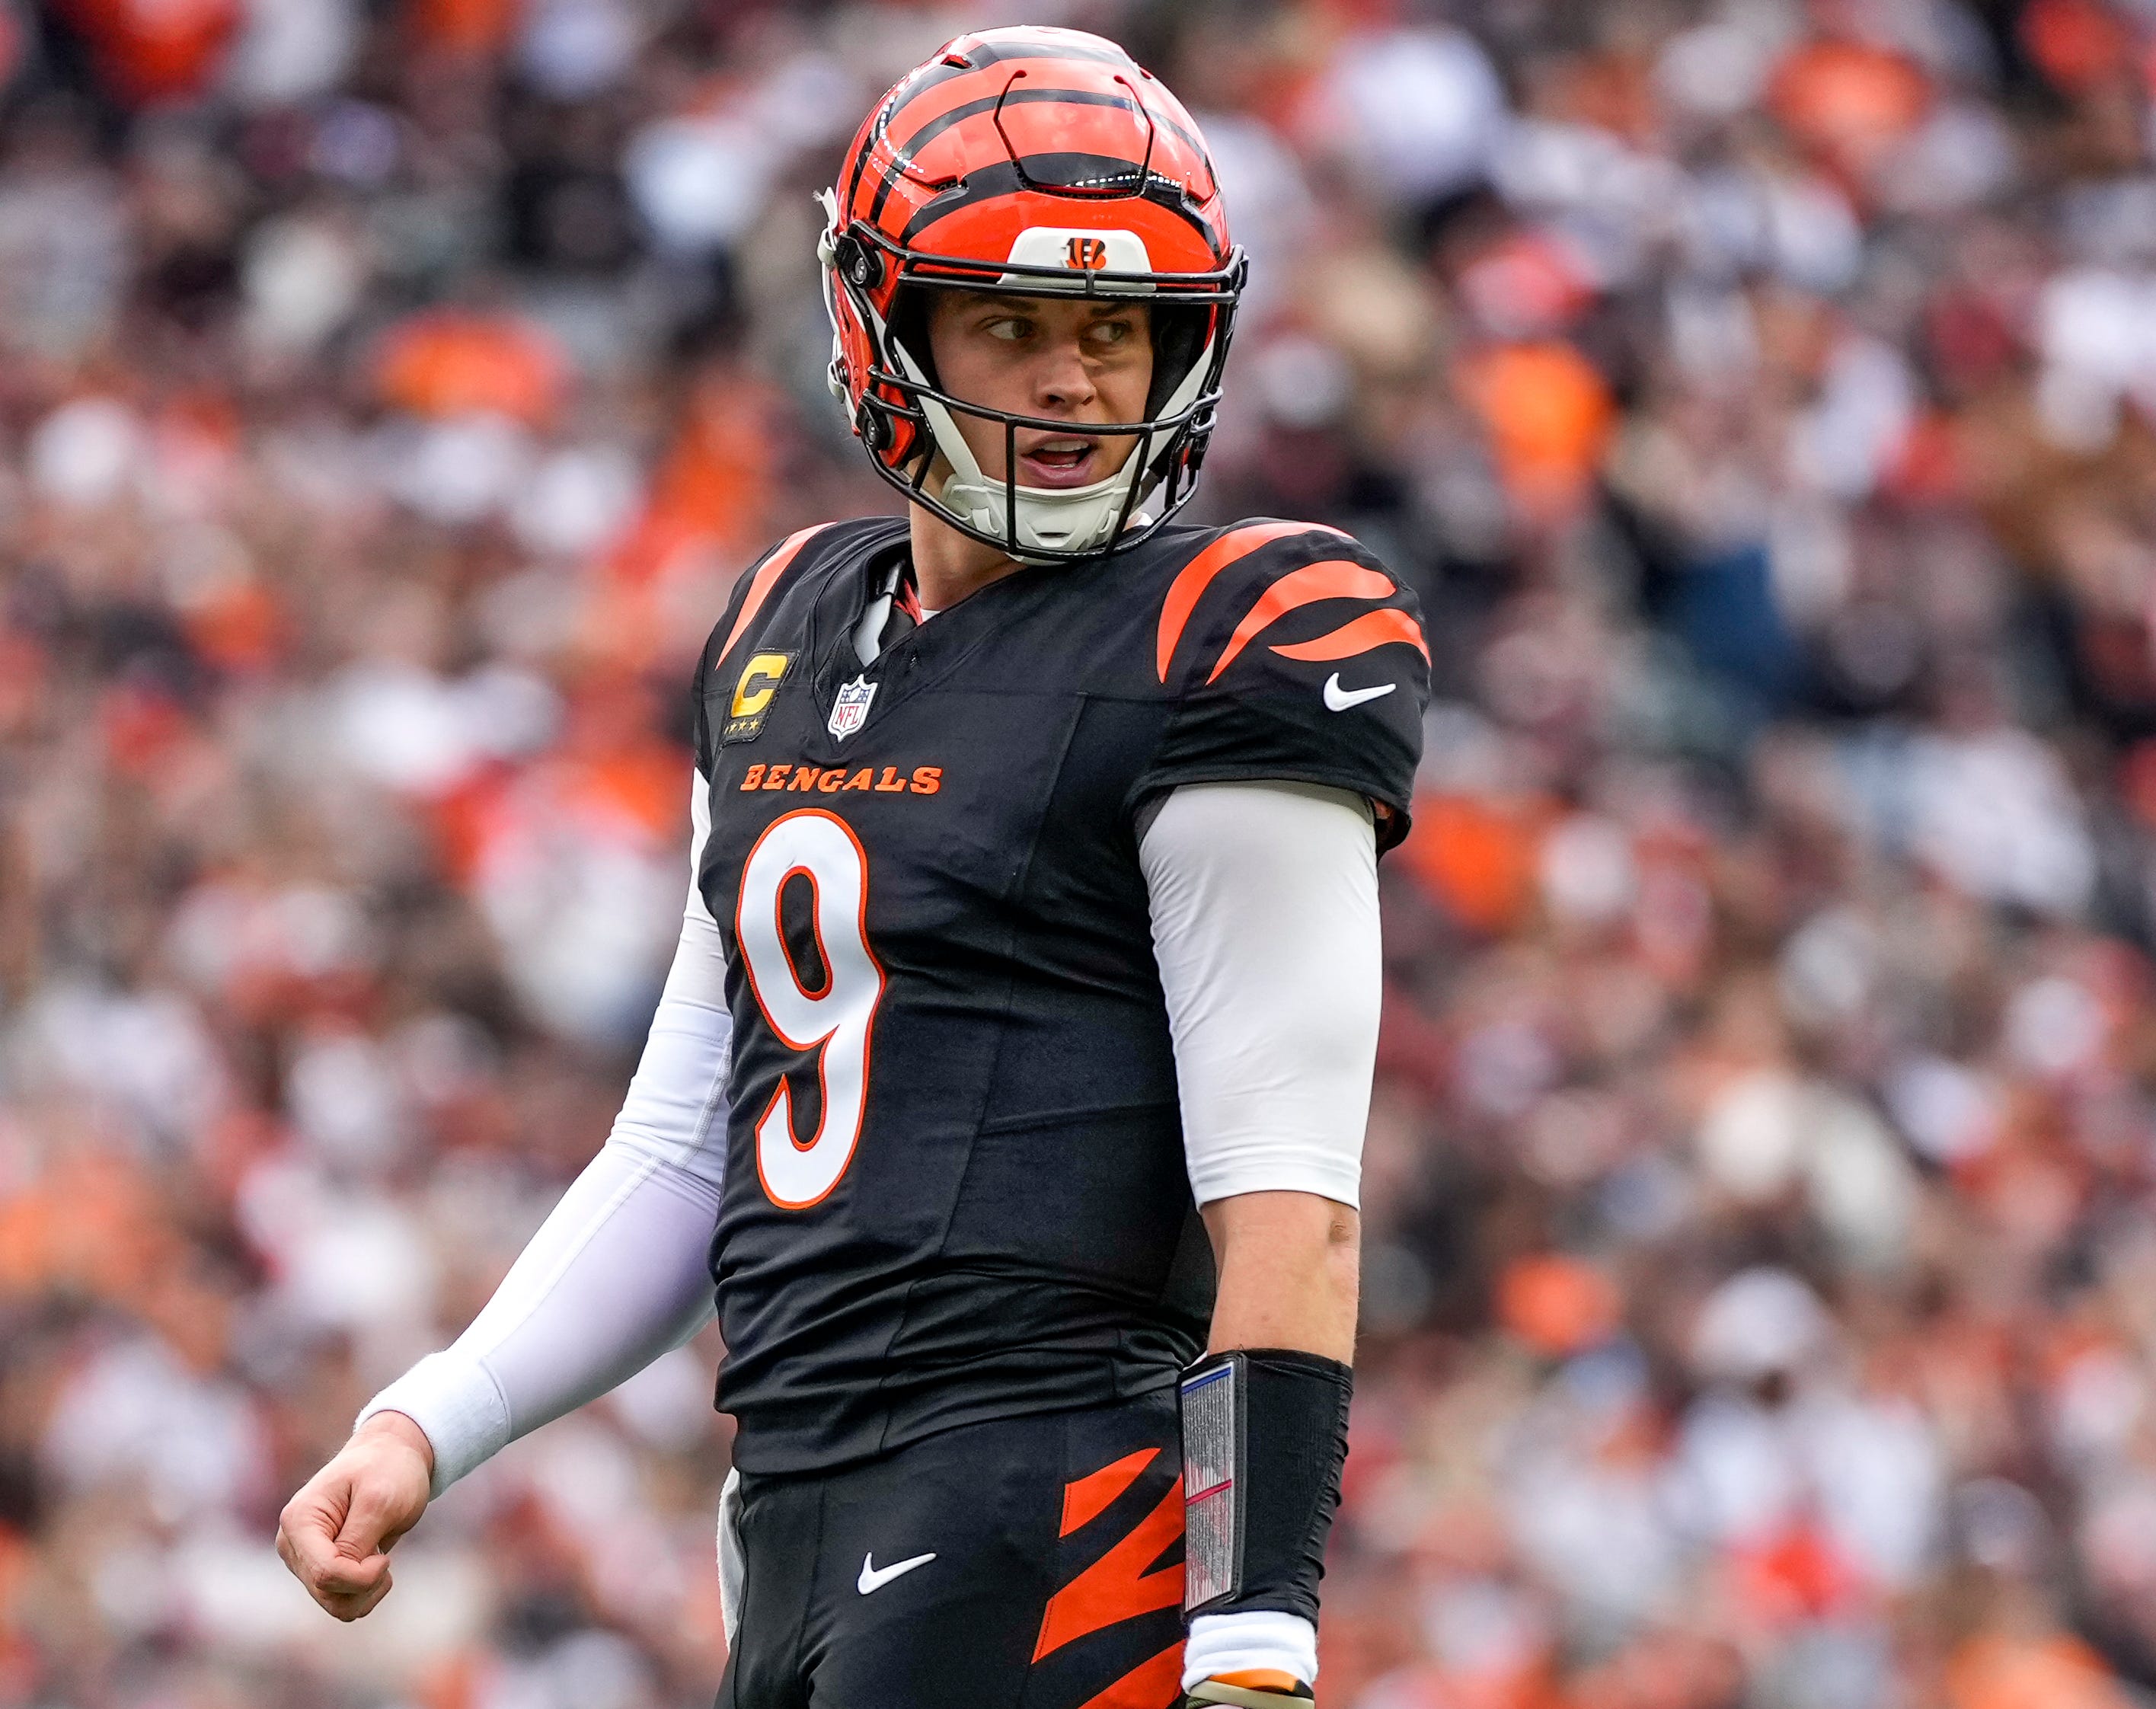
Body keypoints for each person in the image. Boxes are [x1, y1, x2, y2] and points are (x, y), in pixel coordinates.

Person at [273, 24, 1427, 1709]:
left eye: (1113, 330)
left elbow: (1291, 1201)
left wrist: (1254, 1633)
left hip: (1053, 1491)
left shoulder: (1231, 633)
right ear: (886, 323)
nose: (1070, 378)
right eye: (1010, 323)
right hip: (796, 1494)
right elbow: (688, 1136)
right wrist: (432, 1418)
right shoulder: (780, 628)